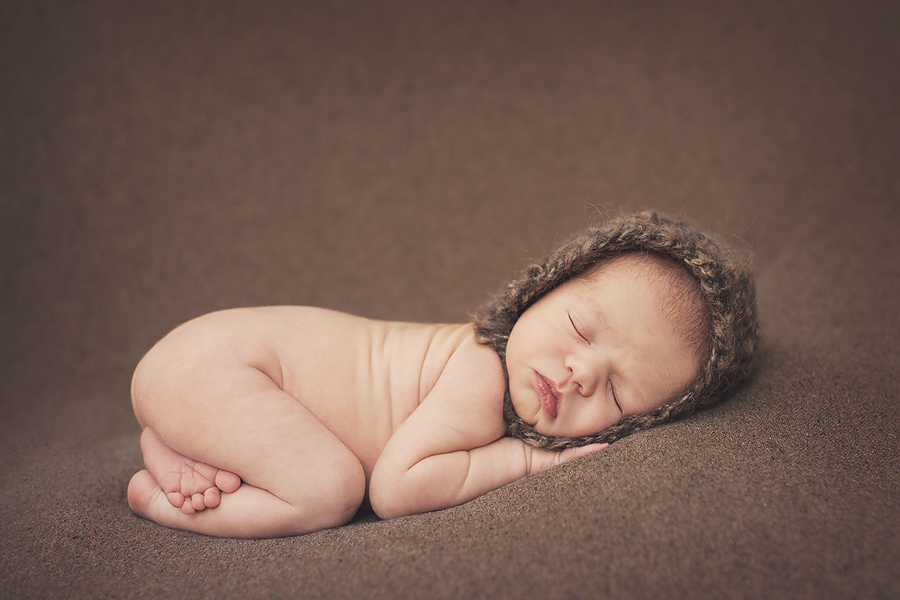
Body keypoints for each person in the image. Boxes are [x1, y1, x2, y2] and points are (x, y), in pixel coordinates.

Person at [127, 212, 758, 538]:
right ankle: (161, 499)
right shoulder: (480, 371)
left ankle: (175, 435)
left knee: (308, 469)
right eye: (579, 329)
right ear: (543, 289)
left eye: (618, 392)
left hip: (207, 369)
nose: (579, 374)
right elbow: (398, 489)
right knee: (328, 489)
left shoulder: (498, 374)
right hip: (225, 364)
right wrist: (525, 463)